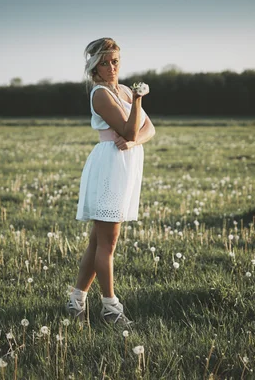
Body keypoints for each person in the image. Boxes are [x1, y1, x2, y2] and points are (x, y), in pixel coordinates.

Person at [67, 38, 156, 326]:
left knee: (97, 241)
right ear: (94, 67)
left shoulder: (125, 91)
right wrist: (139, 101)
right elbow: (130, 129)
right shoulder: (101, 94)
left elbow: (148, 130)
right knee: (108, 241)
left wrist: (133, 143)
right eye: (104, 63)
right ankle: (110, 308)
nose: (112, 67)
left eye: (115, 61)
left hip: (125, 164)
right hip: (110, 167)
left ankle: (75, 301)